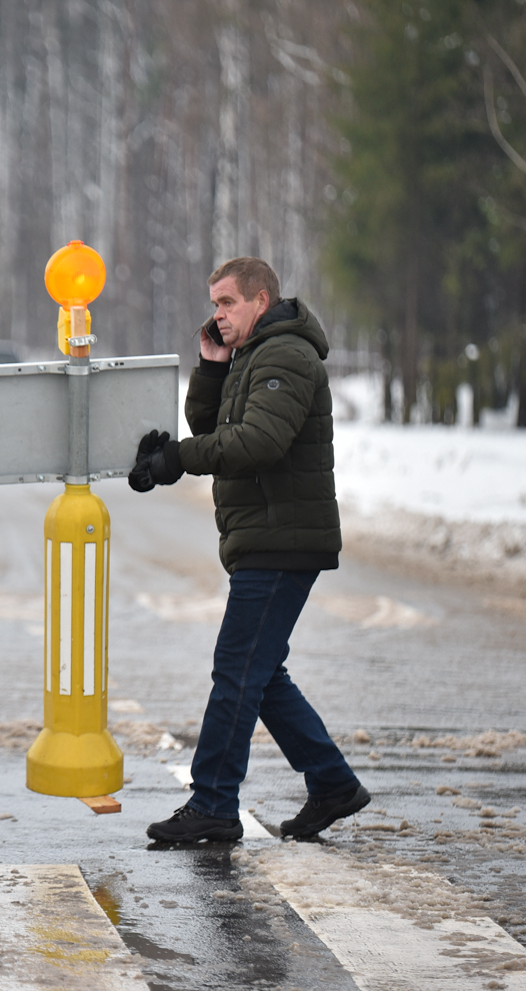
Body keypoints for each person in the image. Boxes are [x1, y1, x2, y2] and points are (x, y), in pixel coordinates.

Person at [128, 256, 368, 843]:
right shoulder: (252, 356)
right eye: (214, 304)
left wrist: (176, 459)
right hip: (266, 535)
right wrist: (212, 367)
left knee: (236, 671)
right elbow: (211, 429)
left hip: (282, 538)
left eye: (228, 303)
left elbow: (258, 442)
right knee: (259, 673)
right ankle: (332, 783)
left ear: (261, 300)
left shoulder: (285, 355)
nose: (218, 314)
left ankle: (213, 803)